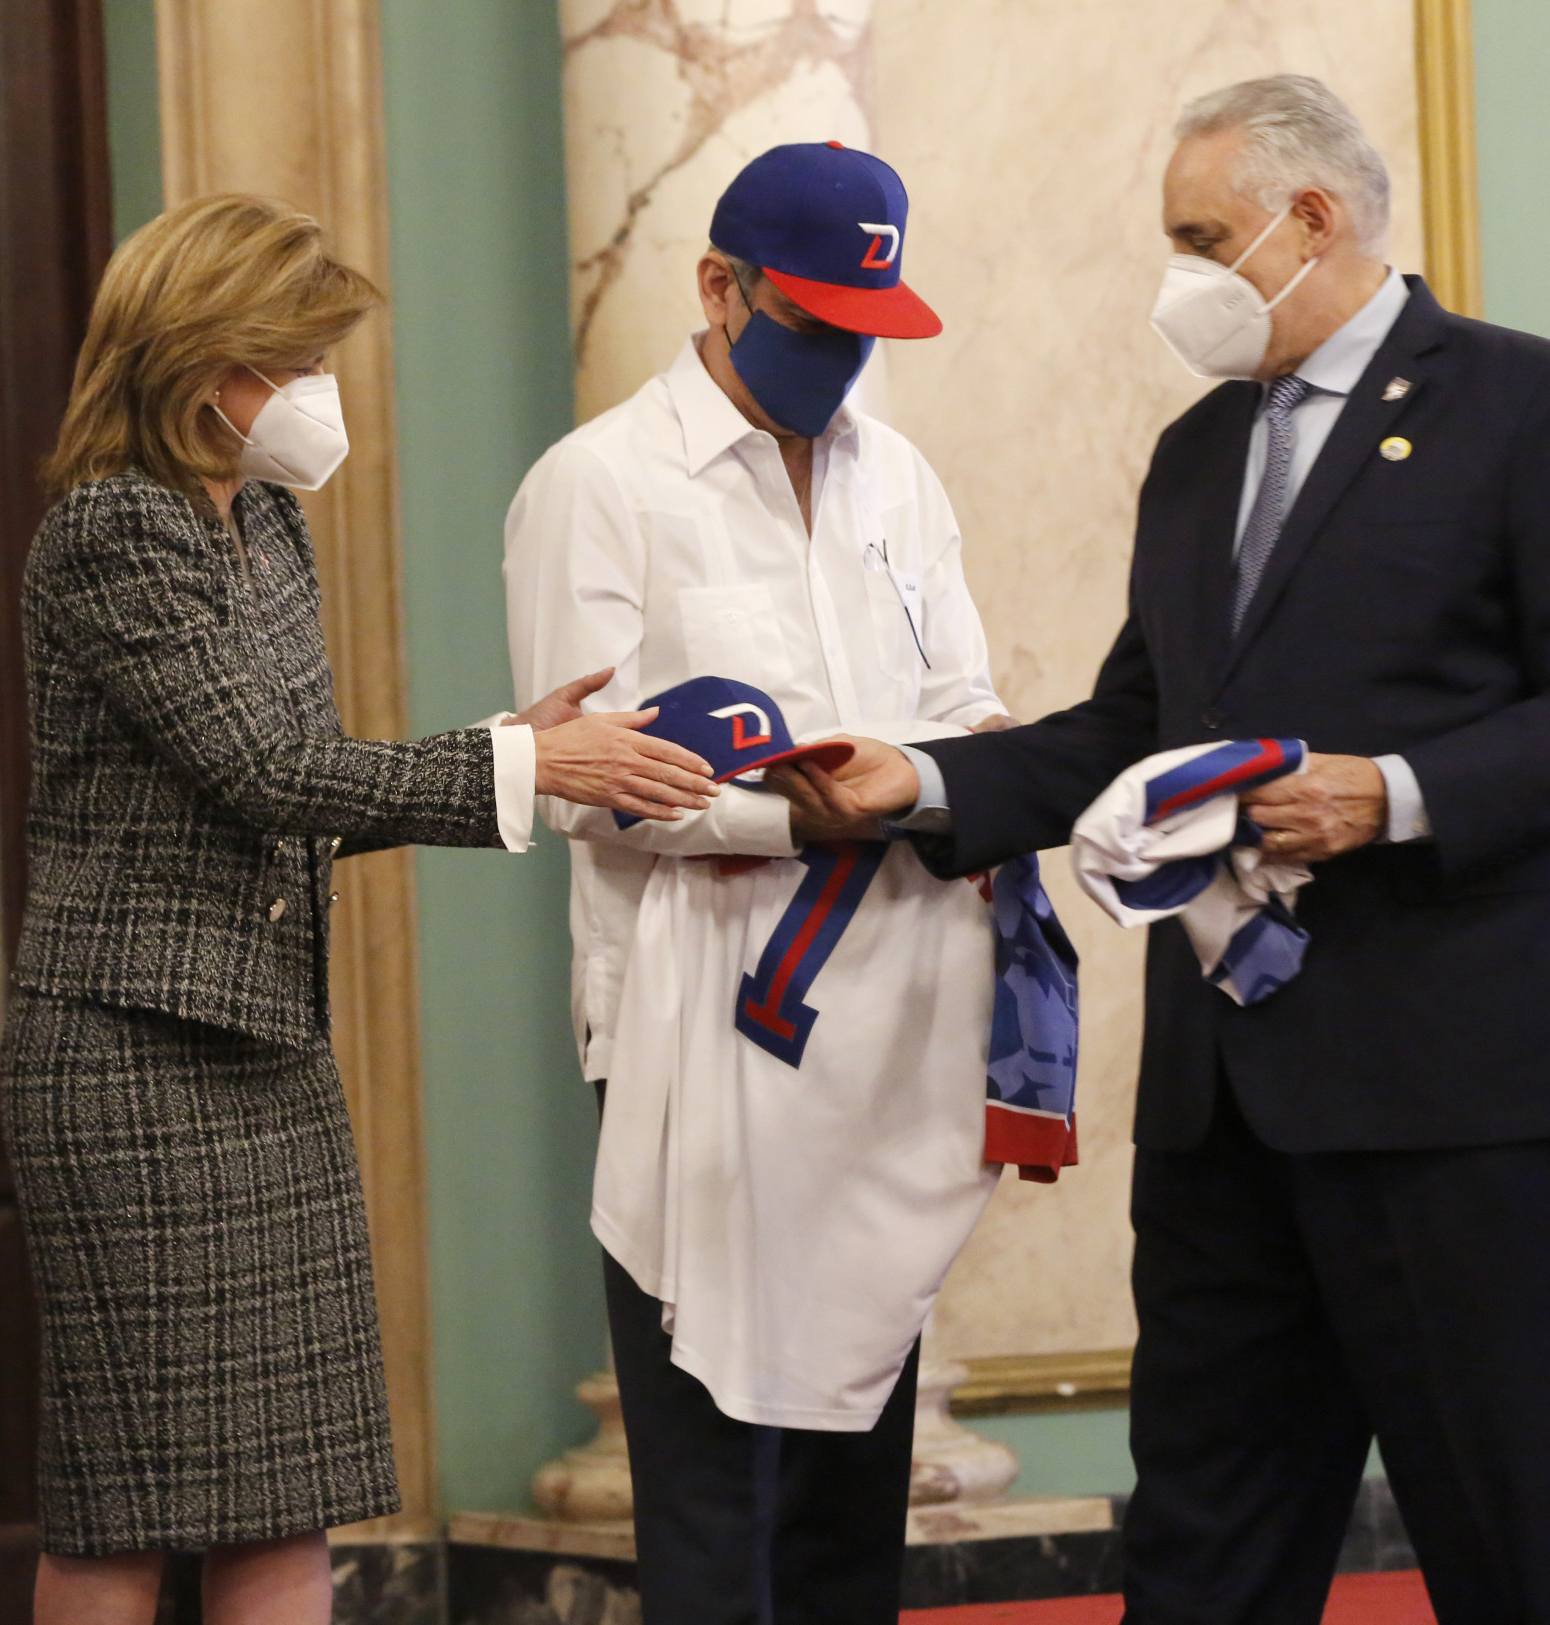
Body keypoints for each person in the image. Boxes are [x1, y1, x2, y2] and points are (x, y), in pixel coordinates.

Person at [790, 77, 1550, 1624]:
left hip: (1467, 1088)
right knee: (1202, 1552)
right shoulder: (1201, 449)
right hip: (1228, 1103)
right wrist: (921, 780)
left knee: (1513, 1543)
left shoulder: (1529, 400)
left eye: (1203, 239)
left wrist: (1391, 790)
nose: (1182, 277)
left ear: (1312, 218)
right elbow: (1139, 723)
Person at [4, 193, 717, 1625]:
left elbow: (302, 781)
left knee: (288, 1487)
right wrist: (528, 767)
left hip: (265, 1051)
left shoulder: (263, 519)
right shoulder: (114, 531)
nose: (322, 389)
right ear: (204, 361)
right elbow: (264, 770)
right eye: (299, 358)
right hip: (133, 1060)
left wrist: (506, 741)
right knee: (130, 1504)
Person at [504, 143, 1033, 1624]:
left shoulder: (898, 476)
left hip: (890, 1016)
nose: (841, 355)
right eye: (812, 321)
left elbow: (963, 698)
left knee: (855, 1452)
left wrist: (960, 772)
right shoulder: (599, 484)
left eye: (868, 326)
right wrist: (810, 817)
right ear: (719, 289)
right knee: (713, 1471)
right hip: (695, 1029)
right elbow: (580, 774)